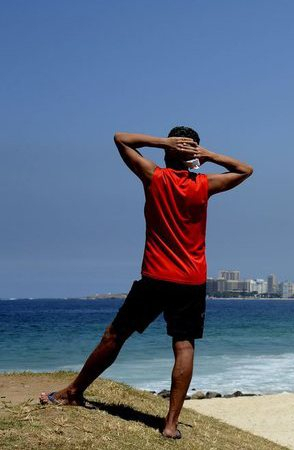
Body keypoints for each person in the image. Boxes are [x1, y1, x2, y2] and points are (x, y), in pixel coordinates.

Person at [39, 126, 253, 439]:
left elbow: (119, 138)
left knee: (115, 336)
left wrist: (163, 142)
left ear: (168, 153)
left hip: (156, 277)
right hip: (191, 281)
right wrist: (207, 155)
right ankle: (170, 425)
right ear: (193, 157)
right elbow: (245, 169)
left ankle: (74, 392)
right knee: (184, 345)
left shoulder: (154, 176)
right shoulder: (205, 185)